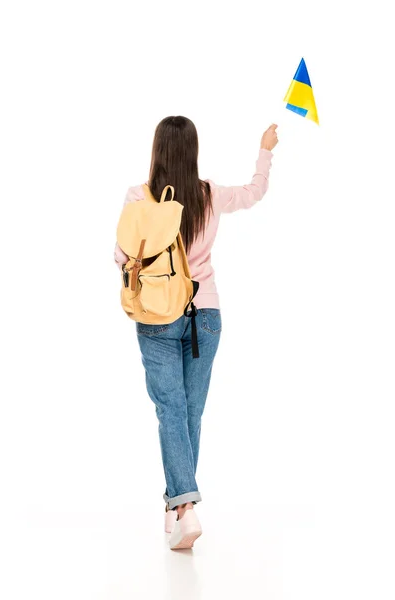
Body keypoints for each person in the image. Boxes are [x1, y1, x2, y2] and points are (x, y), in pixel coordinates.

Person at [114, 116, 278, 549]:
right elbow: (254, 192)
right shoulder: (210, 194)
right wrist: (266, 149)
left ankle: (184, 508)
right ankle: (177, 505)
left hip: (156, 316)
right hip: (205, 314)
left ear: (157, 151)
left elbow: (121, 255)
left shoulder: (138, 197)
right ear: (193, 151)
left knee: (171, 411)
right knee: (189, 413)